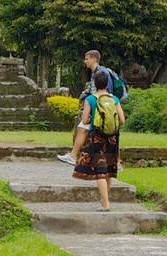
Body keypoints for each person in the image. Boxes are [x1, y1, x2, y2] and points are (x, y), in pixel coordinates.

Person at [58, 50, 125, 165]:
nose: (85, 61)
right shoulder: (96, 72)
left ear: (94, 59)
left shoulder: (101, 73)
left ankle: (73, 156)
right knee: (110, 133)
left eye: (87, 58)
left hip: (102, 109)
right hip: (104, 109)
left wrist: (92, 110)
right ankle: (116, 162)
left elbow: (104, 93)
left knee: (83, 127)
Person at [72, 71, 126, 211]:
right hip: (113, 137)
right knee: (108, 170)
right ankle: (104, 200)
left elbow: (84, 120)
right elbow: (122, 120)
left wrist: (92, 120)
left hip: (97, 137)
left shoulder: (90, 99)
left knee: (100, 171)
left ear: (95, 84)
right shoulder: (114, 99)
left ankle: (106, 204)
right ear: (107, 83)